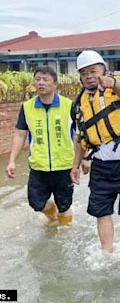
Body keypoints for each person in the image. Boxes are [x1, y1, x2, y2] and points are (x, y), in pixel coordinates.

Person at [70, 50, 120, 253]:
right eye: (84, 73)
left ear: (104, 70)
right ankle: (107, 251)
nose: (89, 76)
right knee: (101, 210)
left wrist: (112, 83)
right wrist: (75, 165)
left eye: (93, 71)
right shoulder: (78, 106)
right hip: (101, 164)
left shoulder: (119, 86)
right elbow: (80, 137)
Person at [5, 66, 75, 226]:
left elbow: (80, 135)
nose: (40, 83)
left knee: (65, 204)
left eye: (45, 79)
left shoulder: (68, 106)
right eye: (38, 79)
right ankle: (53, 216)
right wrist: (12, 161)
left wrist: (81, 160)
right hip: (39, 166)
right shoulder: (27, 107)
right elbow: (20, 134)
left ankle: (64, 232)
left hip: (64, 166)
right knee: (36, 203)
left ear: (55, 84)